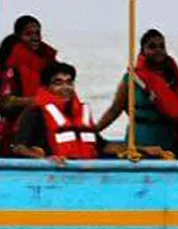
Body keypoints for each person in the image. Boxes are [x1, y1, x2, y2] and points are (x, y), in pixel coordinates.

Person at [11, 62, 169, 164]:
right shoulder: (35, 112)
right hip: (57, 174)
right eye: (58, 83)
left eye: (69, 82)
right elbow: (18, 147)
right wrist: (45, 160)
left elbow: (103, 146)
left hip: (84, 173)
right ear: (46, 87)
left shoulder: (81, 113)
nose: (65, 87)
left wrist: (141, 149)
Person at [95, 29, 178, 158]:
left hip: (169, 139)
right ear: (143, 51)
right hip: (140, 138)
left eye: (162, 46)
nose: (158, 50)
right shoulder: (132, 79)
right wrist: (93, 131)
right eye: (152, 46)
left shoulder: (176, 79)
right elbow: (114, 110)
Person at [0, 15, 58, 157]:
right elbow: (6, 102)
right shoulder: (10, 65)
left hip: (42, 130)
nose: (35, 37)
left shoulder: (47, 62)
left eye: (37, 33)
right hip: (13, 133)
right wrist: (40, 101)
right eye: (29, 34)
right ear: (19, 36)